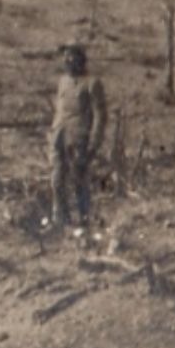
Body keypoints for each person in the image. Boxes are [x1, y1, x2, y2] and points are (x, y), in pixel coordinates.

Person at [50, 44, 107, 236]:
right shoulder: (63, 81)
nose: (67, 60)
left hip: (79, 139)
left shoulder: (92, 83)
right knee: (57, 179)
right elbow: (59, 109)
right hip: (59, 137)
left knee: (78, 182)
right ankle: (61, 220)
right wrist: (53, 131)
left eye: (71, 56)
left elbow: (100, 115)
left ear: (81, 59)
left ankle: (83, 221)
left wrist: (94, 142)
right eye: (65, 57)